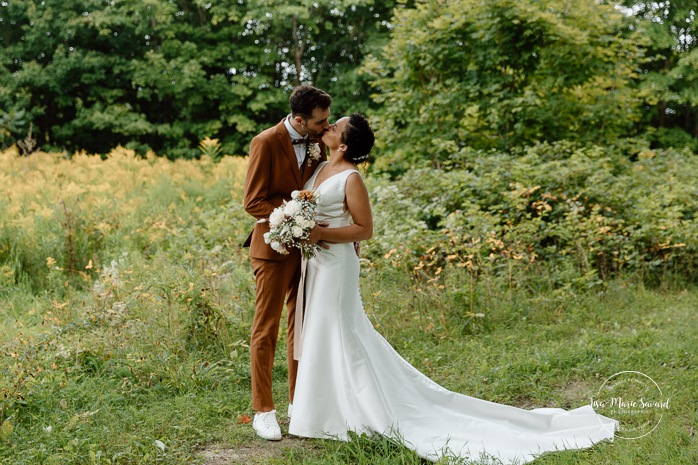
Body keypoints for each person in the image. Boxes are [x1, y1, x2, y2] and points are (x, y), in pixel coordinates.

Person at [288, 114, 618, 463]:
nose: (328, 127)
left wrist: (323, 234)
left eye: (335, 127)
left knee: (340, 329)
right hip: (317, 263)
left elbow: (364, 229)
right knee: (324, 329)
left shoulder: (352, 178)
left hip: (337, 265)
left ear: (344, 144)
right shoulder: (320, 167)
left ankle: (359, 412)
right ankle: (326, 411)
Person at [243, 85, 331, 441]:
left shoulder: (317, 141)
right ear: (298, 119)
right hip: (273, 250)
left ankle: (299, 403)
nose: (325, 127)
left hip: (307, 253)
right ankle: (263, 411)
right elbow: (253, 201)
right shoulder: (264, 142)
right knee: (267, 329)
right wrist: (291, 220)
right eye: (320, 121)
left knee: (302, 327)